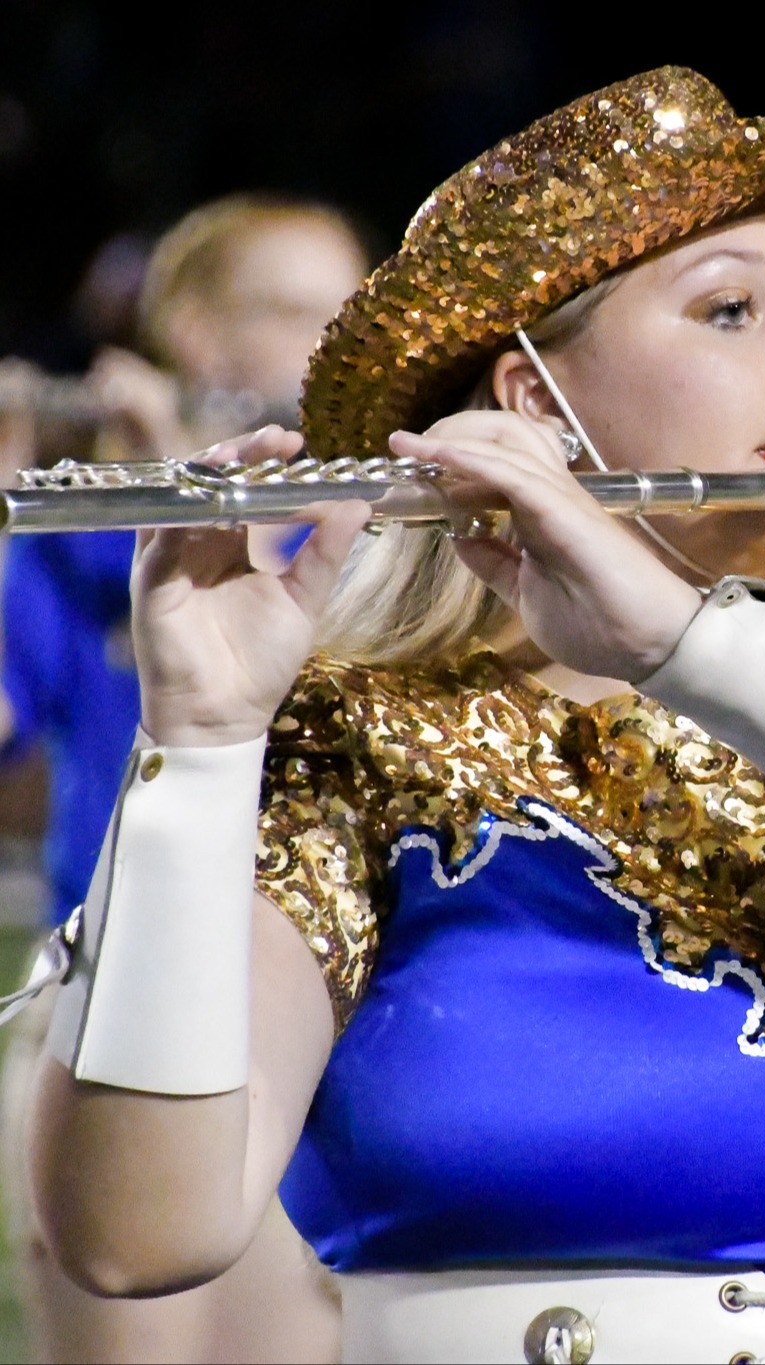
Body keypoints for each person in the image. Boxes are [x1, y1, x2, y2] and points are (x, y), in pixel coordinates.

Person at [18, 68, 765, 1364]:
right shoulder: (345, 752)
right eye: (730, 311)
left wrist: (680, 642)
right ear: (531, 403)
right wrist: (198, 741)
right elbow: (137, 1232)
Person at [0, 191, 371, 1363]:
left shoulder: (365, 523)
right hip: (110, 1000)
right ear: (201, 337)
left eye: (354, 309)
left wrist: (186, 483)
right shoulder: (86, 534)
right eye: (305, 311)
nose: (342, 339)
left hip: (315, 1004)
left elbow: (328, 684)